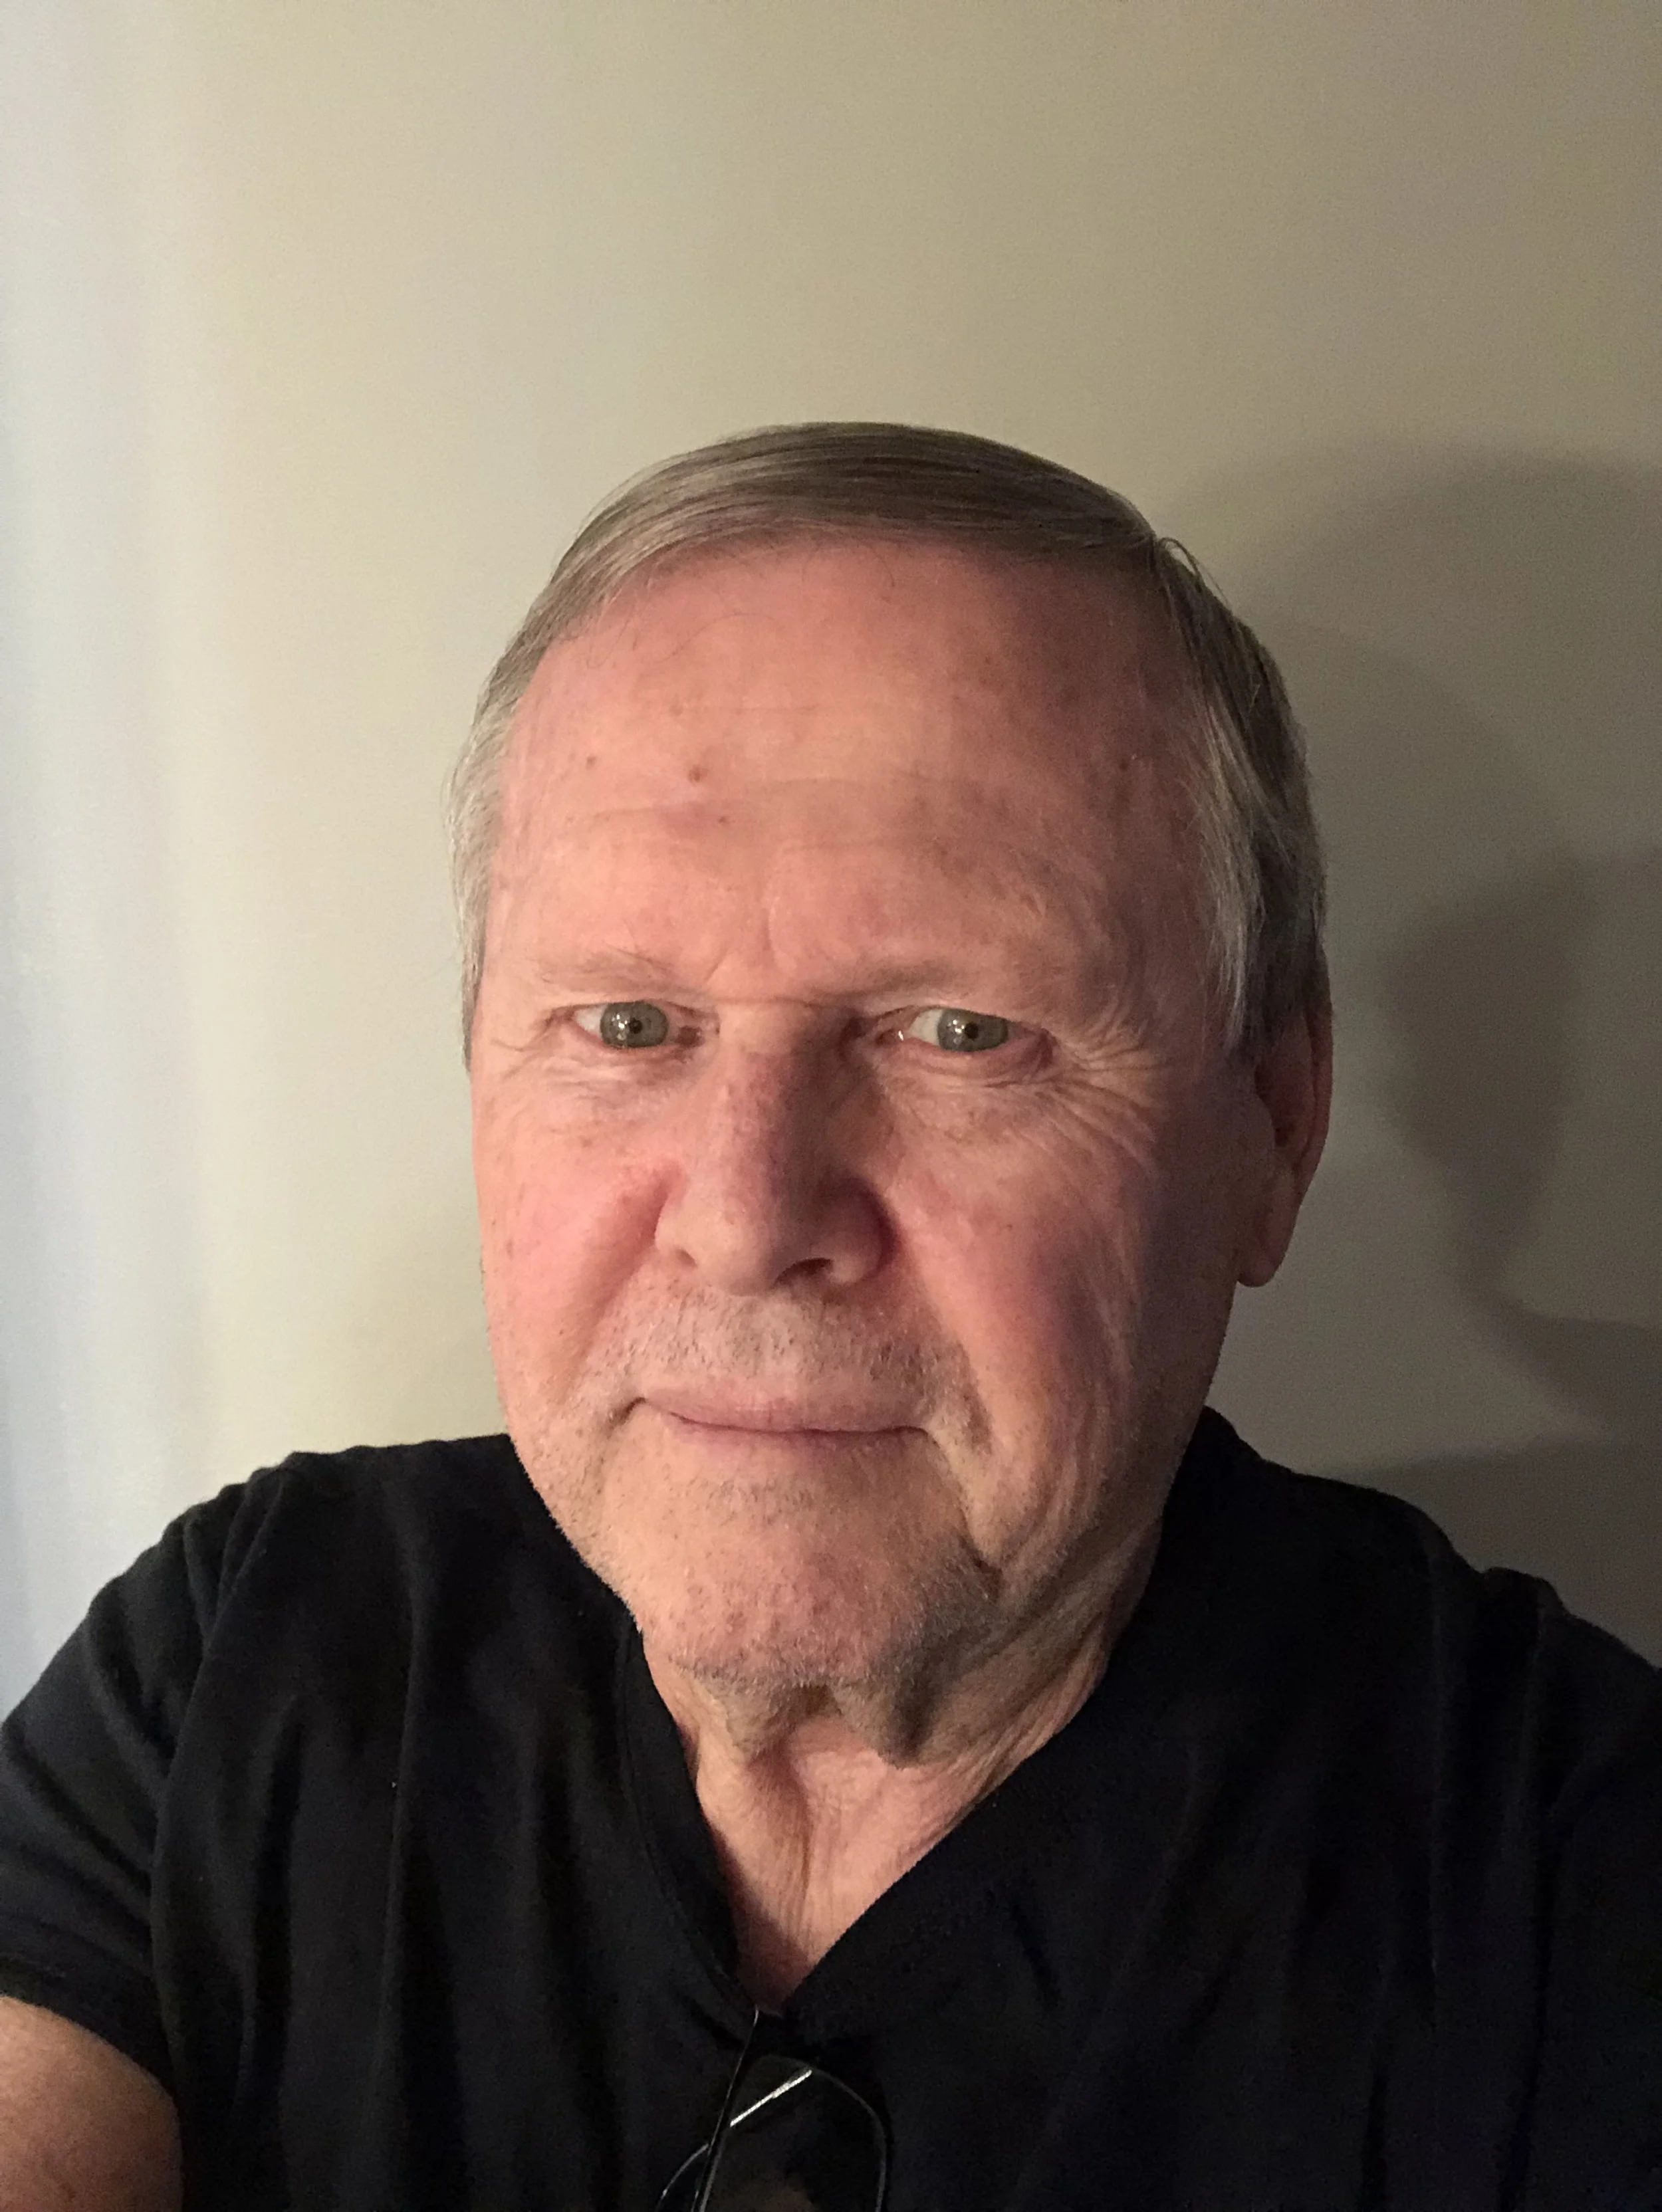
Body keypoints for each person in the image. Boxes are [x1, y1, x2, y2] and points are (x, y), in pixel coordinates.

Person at [0, 423, 1657, 2212]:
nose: (745, 1217)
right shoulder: (245, 1655)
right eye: (627, 1025)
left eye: (959, 1032)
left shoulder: (1567, 1882)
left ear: (1271, 1125)